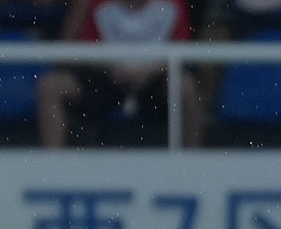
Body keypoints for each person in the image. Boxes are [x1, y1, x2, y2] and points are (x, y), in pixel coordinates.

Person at [35, 0, 198, 150]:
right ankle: (51, 168)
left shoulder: (174, 4)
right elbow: (84, 48)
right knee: (50, 86)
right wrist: (110, 66)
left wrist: (149, 70)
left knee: (186, 87)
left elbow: (181, 49)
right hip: (106, 78)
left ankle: (192, 166)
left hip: (154, 79)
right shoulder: (98, 4)